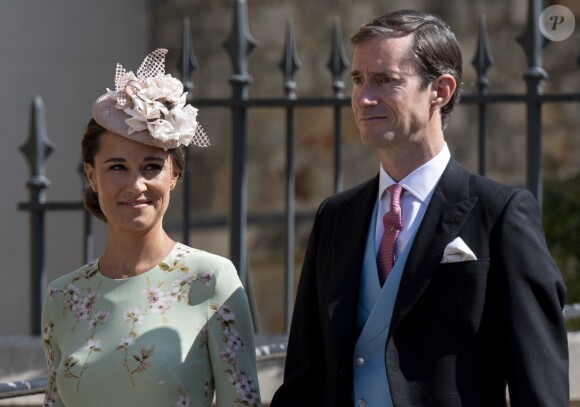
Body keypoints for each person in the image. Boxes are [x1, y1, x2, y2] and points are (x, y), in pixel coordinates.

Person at [270, 9, 569, 407]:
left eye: (385, 80)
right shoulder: (335, 217)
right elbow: (304, 378)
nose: (363, 97)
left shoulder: (501, 214)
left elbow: (539, 384)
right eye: (358, 79)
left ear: (440, 91)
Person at [41, 48, 262, 407]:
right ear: (91, 175)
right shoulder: (62, 297)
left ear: (174, 174)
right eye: (116, 167)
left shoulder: (210, 279)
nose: (136, 185)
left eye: (151, 166)